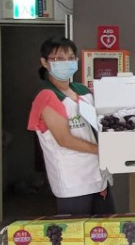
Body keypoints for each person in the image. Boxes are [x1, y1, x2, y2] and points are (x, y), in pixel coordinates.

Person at [26, 37, 113, 215]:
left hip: (98, 177)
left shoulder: (82, 91)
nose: (66, 63)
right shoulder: (47, 96)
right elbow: (64, 139)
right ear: (45, 62)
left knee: (107, 229)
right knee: (77, 230)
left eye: (71, 58)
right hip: (74, 181)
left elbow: (111, 111)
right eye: (59, 59)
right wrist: (102, 150)